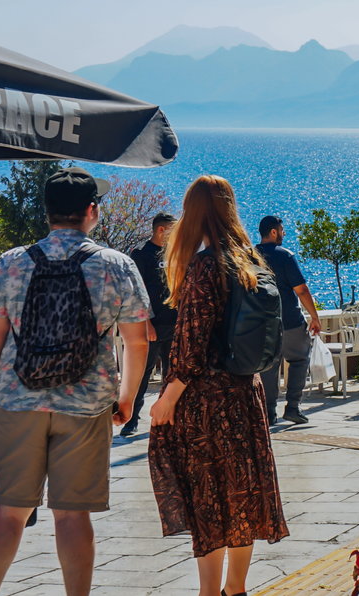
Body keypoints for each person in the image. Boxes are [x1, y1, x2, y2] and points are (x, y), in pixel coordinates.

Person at [0, 167, 151, 596]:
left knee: (9, 512)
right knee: (72, 516)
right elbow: (137, 341)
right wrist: (125, 399)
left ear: (48, 211)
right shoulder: (116, 265)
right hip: (88, 405)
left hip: (18, 400)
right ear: (92, 210)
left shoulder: (12, 262)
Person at [148, 175, 288, 596]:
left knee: (207, 497)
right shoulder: (249, 261)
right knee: (240, 493)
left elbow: (190, 344)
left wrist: (167, 398)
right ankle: (236, 589)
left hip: (205, 401)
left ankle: (209, 592)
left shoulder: (206, 265)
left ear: (193, 214)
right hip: (245, 394)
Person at [256, 215, 321, 425]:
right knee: (300, 360)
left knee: (268, 367)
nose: (283, 233)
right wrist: (314, 316)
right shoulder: (285, 256)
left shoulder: (249, 256)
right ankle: (293, 407)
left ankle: (268, 411)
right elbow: (301, 289)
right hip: (290, 321)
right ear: (273, 232)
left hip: (262, 323)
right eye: (282, 230)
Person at [122, 212, 178, 437]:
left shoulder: (175, 253)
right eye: (172, 231)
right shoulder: (141, 255)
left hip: (174, 324)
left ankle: (168, 417)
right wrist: (146, 324)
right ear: (160, 230)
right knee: (142, 375)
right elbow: (136, 292)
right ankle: (131, 420)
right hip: (151, 326)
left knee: (171, 374)